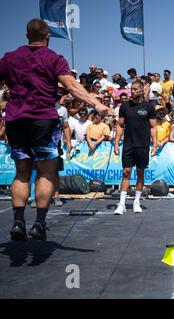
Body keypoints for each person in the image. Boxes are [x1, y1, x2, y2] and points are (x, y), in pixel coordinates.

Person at [0, 19, 108, 241]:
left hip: (16, 120)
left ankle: (18, 222)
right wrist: (96, 103)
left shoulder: (10, 58)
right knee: (46, 172)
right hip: (42, 120)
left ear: (26, 34)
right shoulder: (53, 58)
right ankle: (39, 224)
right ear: (47, 35)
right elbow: (71, 86)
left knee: (21, 172)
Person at [113, 80, 157, 215]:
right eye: (131, 89)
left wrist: (154, 144)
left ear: (142, 91)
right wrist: (116, 143)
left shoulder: (149, 107)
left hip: (143, 145)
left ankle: (136, 202)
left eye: (135, 89)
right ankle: (121, 204)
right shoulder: (125, 106)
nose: (132, 91)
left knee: (140, 173)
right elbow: (120, 125)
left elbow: (153, 127)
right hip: (128, 144)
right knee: (126, 172)